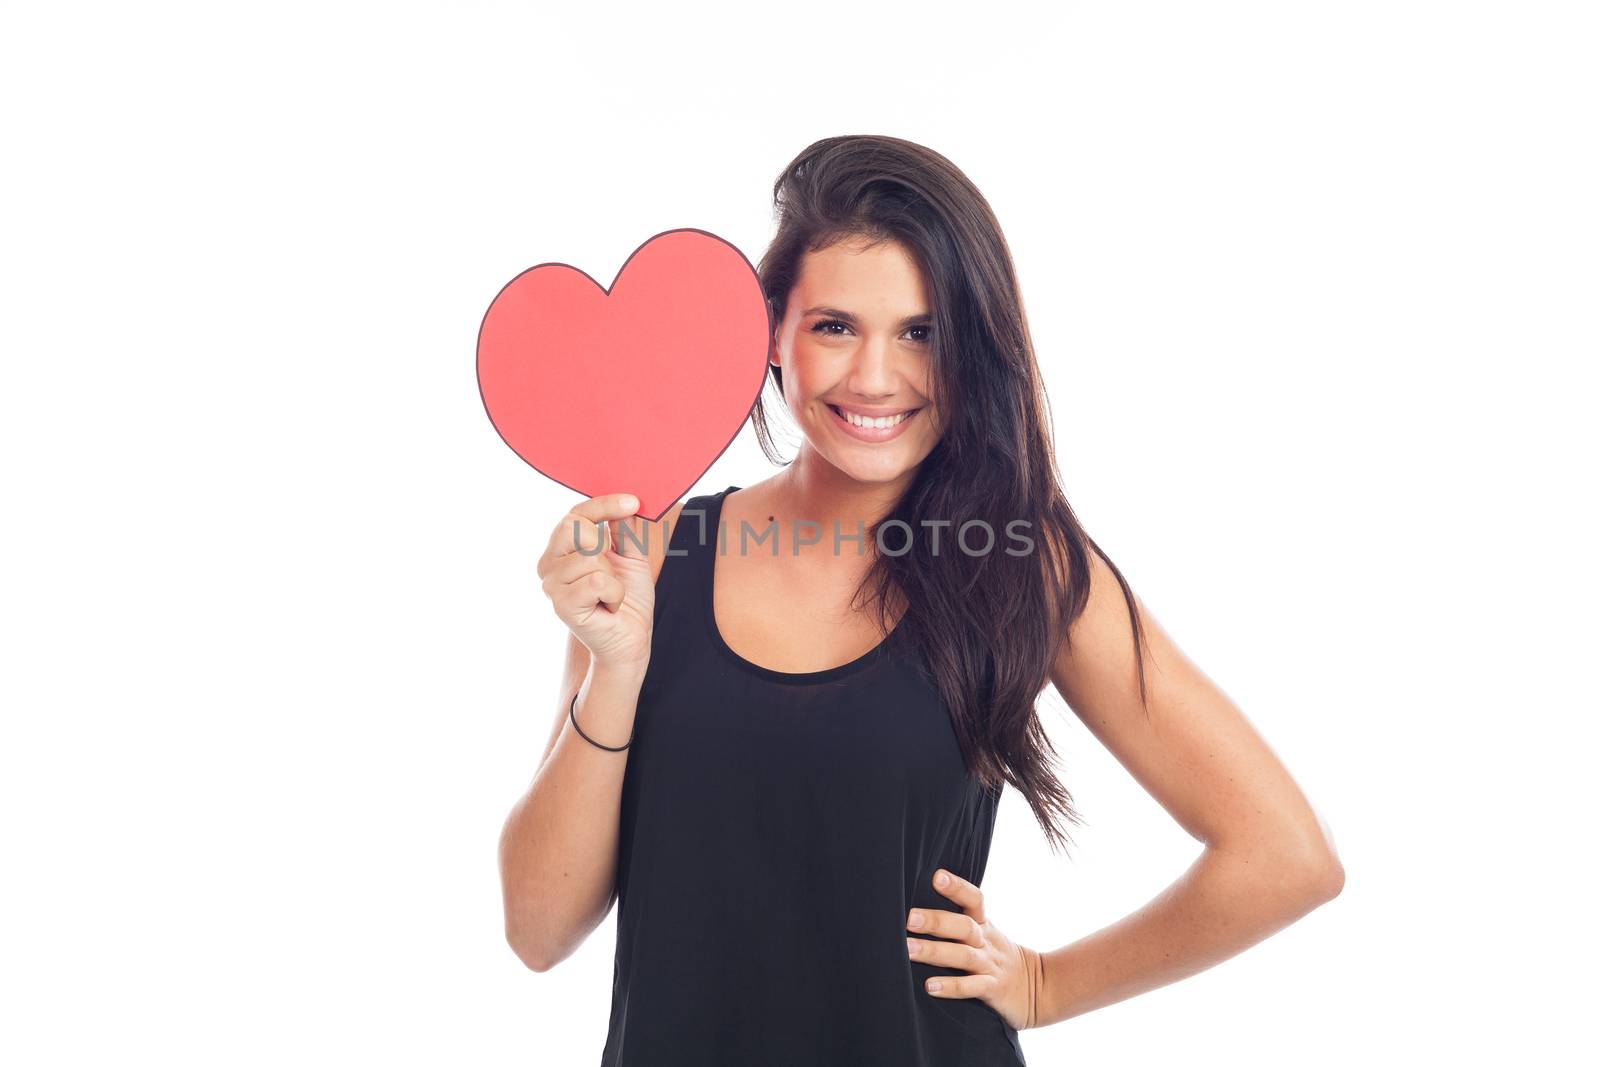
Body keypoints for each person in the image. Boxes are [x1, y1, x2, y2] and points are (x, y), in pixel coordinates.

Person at [498, 134, 1344, 1066]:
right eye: (834, 326)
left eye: (921, 331)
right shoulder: (651, 555)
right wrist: (614, 667)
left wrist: (1046, 984)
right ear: (771, 333)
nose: (874, 377)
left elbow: (1283, 855)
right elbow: (539, 930)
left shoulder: (1023, 564)